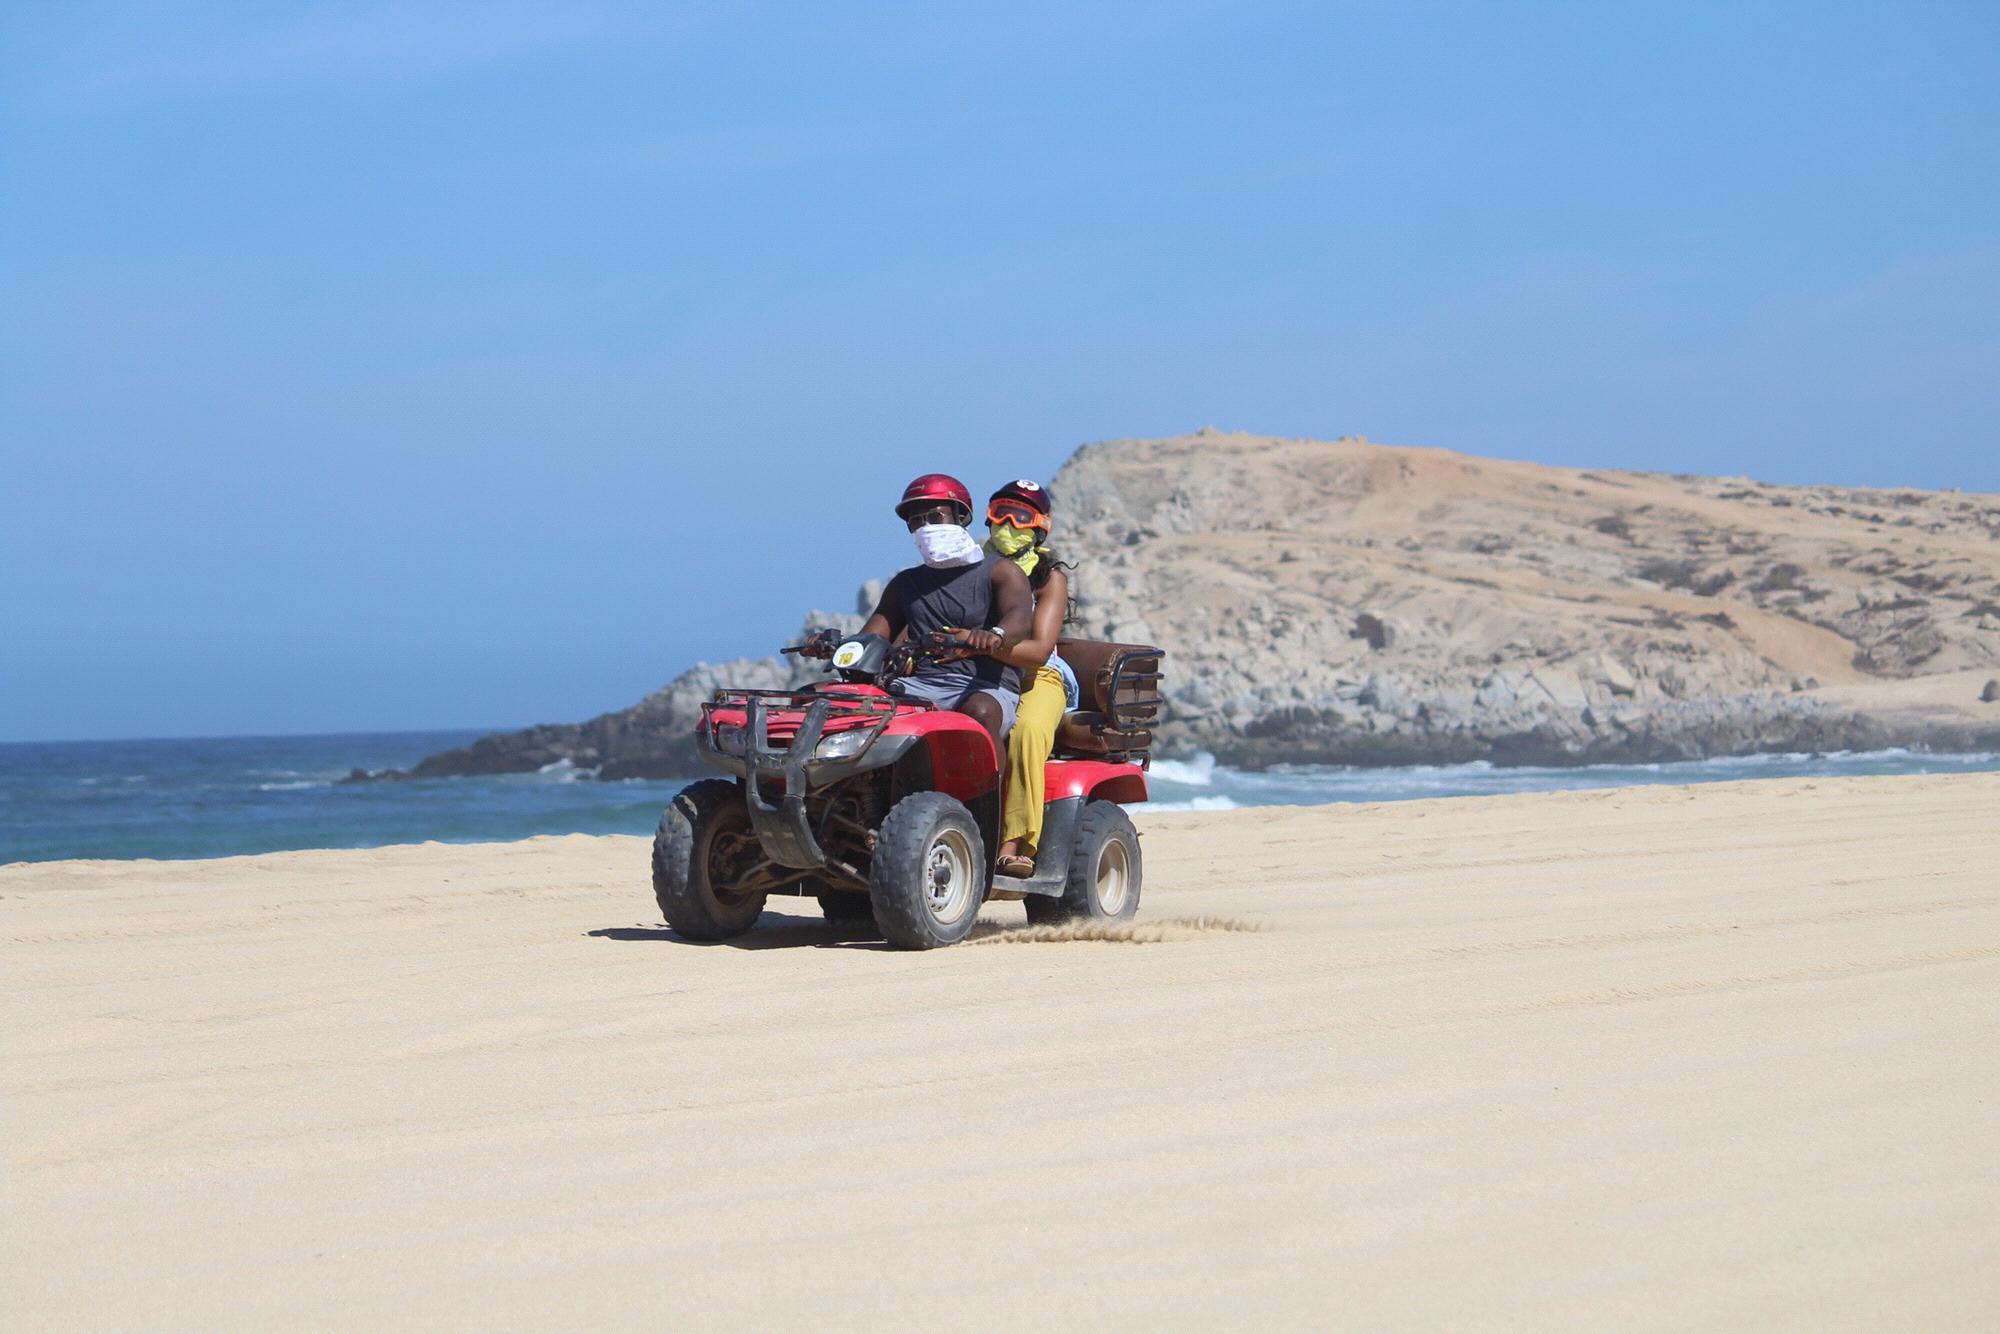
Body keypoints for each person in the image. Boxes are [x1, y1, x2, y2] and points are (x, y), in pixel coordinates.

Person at [857, 474, 1035, 759]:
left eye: (934, 516)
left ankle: (989, 801)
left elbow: (1020, 617)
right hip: (919, 685)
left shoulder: (1000, 571)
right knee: (835, 703)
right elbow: (874, 634)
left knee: (980, 712)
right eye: (916, 521)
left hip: (985, 686)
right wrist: (838, 646)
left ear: (961, 516)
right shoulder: (906, 583)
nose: (925, 527)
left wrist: (995, 635)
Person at [977, 480, 1081, 878]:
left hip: (1037, 677)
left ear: (1039, 527)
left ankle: (1014, 843)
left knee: (1027, 731)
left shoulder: (1047, 576)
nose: (1007, 524)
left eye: (1020, 517)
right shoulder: (968, 563)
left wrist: (976, 645)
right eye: (1000, 513)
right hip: (972, 671)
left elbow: (1039, 649)